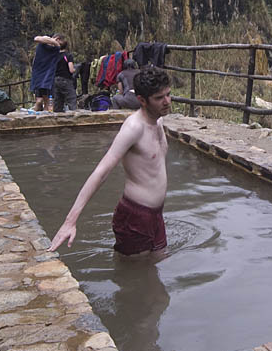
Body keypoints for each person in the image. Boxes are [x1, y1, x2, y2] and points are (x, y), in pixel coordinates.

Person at [48, 67, 172, 256]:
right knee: (132, 275)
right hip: (135, 216)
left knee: (157, 265)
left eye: (168, 95)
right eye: (159, 98)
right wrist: (70, 221)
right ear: (142, 100)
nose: (167, 102)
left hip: (156, 216)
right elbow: (102, 171)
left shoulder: (159, 122)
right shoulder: (134, 128)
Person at [30, 34, 62, 111]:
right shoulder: (42, 45)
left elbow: (57, 44)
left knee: (45, 94)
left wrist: (50, 40)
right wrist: (50, 39)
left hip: (46, 73)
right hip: (39, 71)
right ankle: (40, 106)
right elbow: (36, 38)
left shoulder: (56, 48)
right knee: (39, 97)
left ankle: (45, 108)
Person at [51, 35, 77, 112]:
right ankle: (74, 117)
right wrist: (75, 69)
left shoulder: (54, 56)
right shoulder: (68, 55)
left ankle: (57, 119)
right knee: (71, 99)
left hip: (55, 80)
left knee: (58, 101)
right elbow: (71, 69)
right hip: (66, 79)